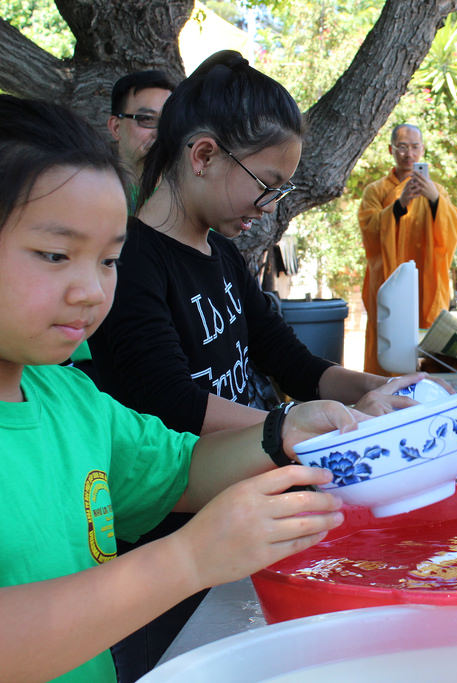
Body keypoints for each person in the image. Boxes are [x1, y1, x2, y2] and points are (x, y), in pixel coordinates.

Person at [88, 50, 424, 676]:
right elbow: (172, 404)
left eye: (283, 189)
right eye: (267, 183)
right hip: (170, 537)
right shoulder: (129, 263)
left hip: (245, 507)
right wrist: (291, 429)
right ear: (204, 155)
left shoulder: (220, 252)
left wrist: (382, 387)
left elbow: (290, 359)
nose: (270, 204)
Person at [0, 94, 356, 683]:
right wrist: (189, 558)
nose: (90, 290)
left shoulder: (69, 400)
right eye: (55, 255)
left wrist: (286, 430)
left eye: (109, 261)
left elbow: (182, 471)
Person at [358, 123, 457, 375]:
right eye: (402, 147)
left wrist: (435, 200)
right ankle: (383, 393)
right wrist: (400, 204)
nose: (409, 154)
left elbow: (451, 232)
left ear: (423, 150)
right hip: (388, 280)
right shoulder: (375, 191)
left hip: (428, 278)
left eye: (415, 147)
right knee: (389, 338)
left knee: (432, 345)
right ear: (390, 150)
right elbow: (370, 232)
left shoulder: (436, 190)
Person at [106, 70, 177, 211]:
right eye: (147, 119)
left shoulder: (190, 204)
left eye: (168, 121)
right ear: (116, 127)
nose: (159, 133)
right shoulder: (95, 195)